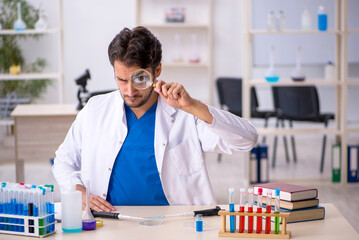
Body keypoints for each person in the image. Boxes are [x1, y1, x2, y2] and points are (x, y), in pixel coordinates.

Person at [52, 26, 258, 212]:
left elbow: (247, 139)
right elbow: (63, 161)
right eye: (121, 80)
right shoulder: (95, 110)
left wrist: (193, 106)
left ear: (157, 70)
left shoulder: (186, 113)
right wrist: (78, 191)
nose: (129, 90)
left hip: (174, 224)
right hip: (110, 222)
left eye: (139, 79)